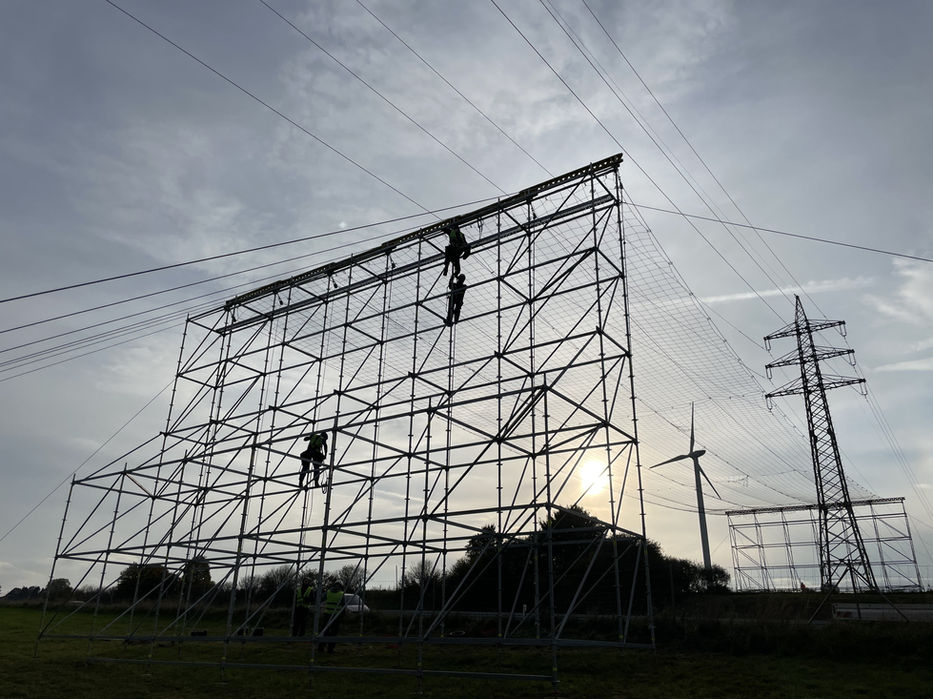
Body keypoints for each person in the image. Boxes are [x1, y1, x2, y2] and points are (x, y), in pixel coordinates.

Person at [318, 581, 345, 654]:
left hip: (327, 614)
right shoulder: (341, 594)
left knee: (324, 631)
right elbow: (343, 606)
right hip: (336, 616)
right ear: (341, 587)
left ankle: (321, 647)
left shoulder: (328, 592)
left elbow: (320, 599)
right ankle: (330, 649)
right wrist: (343, 615)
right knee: (333, 633)